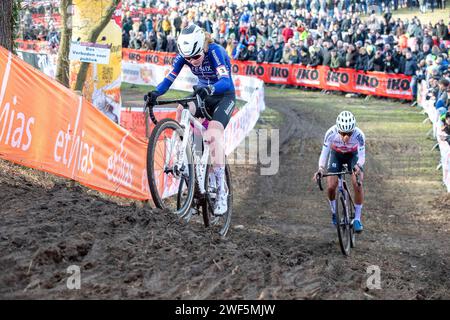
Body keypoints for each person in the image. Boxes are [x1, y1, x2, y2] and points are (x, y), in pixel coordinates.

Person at [146, 24, 235, 215]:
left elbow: (226, 81)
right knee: (181, 109)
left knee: (212, 134)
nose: (192, 61)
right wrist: (155, 93)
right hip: (203, 94)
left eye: (195, 57)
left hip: (223, 96)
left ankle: (221, 190)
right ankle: (185, 151)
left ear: (203, 46)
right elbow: (169, 78)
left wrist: (210, 89)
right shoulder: (186, 55)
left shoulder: (215, 52)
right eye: (188, 58)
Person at [313, 111, 366, 233]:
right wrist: (321, 168)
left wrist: (358, 166)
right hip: (336, 155)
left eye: (349, 133)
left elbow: (362, 156)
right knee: (331, 187)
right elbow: (324, 153)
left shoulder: (359, 135)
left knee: (357, 183)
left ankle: (357, 219)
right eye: (343, 133)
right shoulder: (330, 133)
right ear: (338, 130)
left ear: (353, 130)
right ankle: (334, 212)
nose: (346, 137)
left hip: (353, 156)